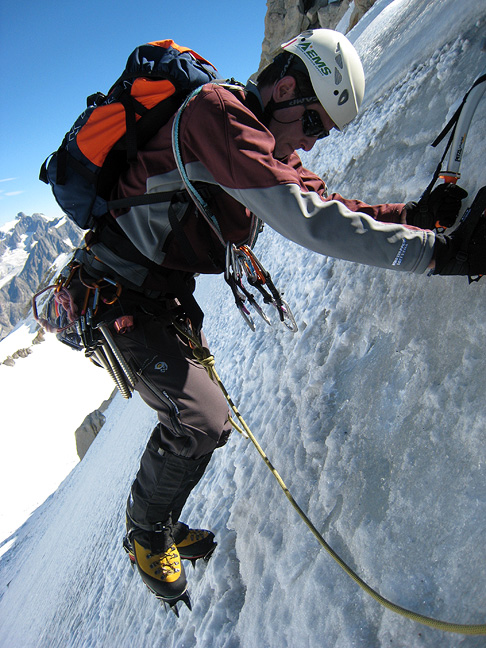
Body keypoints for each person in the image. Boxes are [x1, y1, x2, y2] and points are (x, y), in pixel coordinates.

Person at [66, 29, 483, 607]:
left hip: (157, 297)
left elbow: (327, 204)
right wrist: (438, 254)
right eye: (313, 124)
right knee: (203, 421)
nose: (310, 146)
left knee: (201, 423)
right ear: (285, 86)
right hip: (120, 296)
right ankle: (144, 534)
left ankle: (157, 520)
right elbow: (307, 218)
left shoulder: (259, 139)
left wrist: (412, 216)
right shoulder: (217, 117)